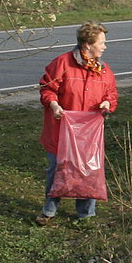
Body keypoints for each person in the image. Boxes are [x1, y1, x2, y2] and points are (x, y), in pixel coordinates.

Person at [35, 21, 118, 225]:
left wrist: (108, 103)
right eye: (102, 42)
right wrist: (54, 106)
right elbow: (47, 88)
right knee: (57, 169)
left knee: (88, 170)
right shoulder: (62, 64)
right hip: (60, 131)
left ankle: (86, 214)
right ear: (88, 44)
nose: (105, 46)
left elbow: (112, 94)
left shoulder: (104, 70)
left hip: (89, 135)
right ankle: (49, 210)